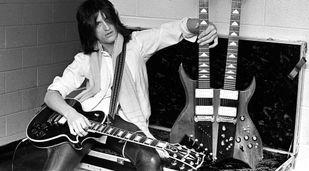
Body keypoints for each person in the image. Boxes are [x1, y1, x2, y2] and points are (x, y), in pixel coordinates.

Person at [42, 0, 218, 170]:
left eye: (108, 19)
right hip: (87, 122)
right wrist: (71, 114)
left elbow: (173, 29)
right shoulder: (84, 59)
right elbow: (51, 94)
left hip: (126, 123)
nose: (106, 27)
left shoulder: (136, 43)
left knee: (150, 159)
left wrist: (204, 26)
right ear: (89, 29)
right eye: (97, 24)